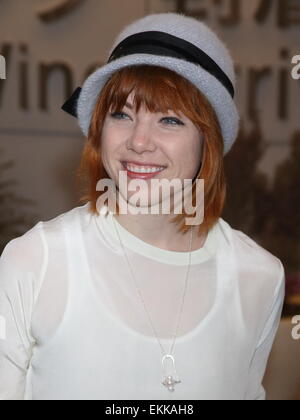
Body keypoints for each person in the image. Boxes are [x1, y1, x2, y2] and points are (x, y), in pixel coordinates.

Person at [0, 12, 285, 400]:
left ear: (208, 143)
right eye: (121, 114)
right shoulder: (36, 261)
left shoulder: (259, 277)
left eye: (169, 120)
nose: (138, 141)